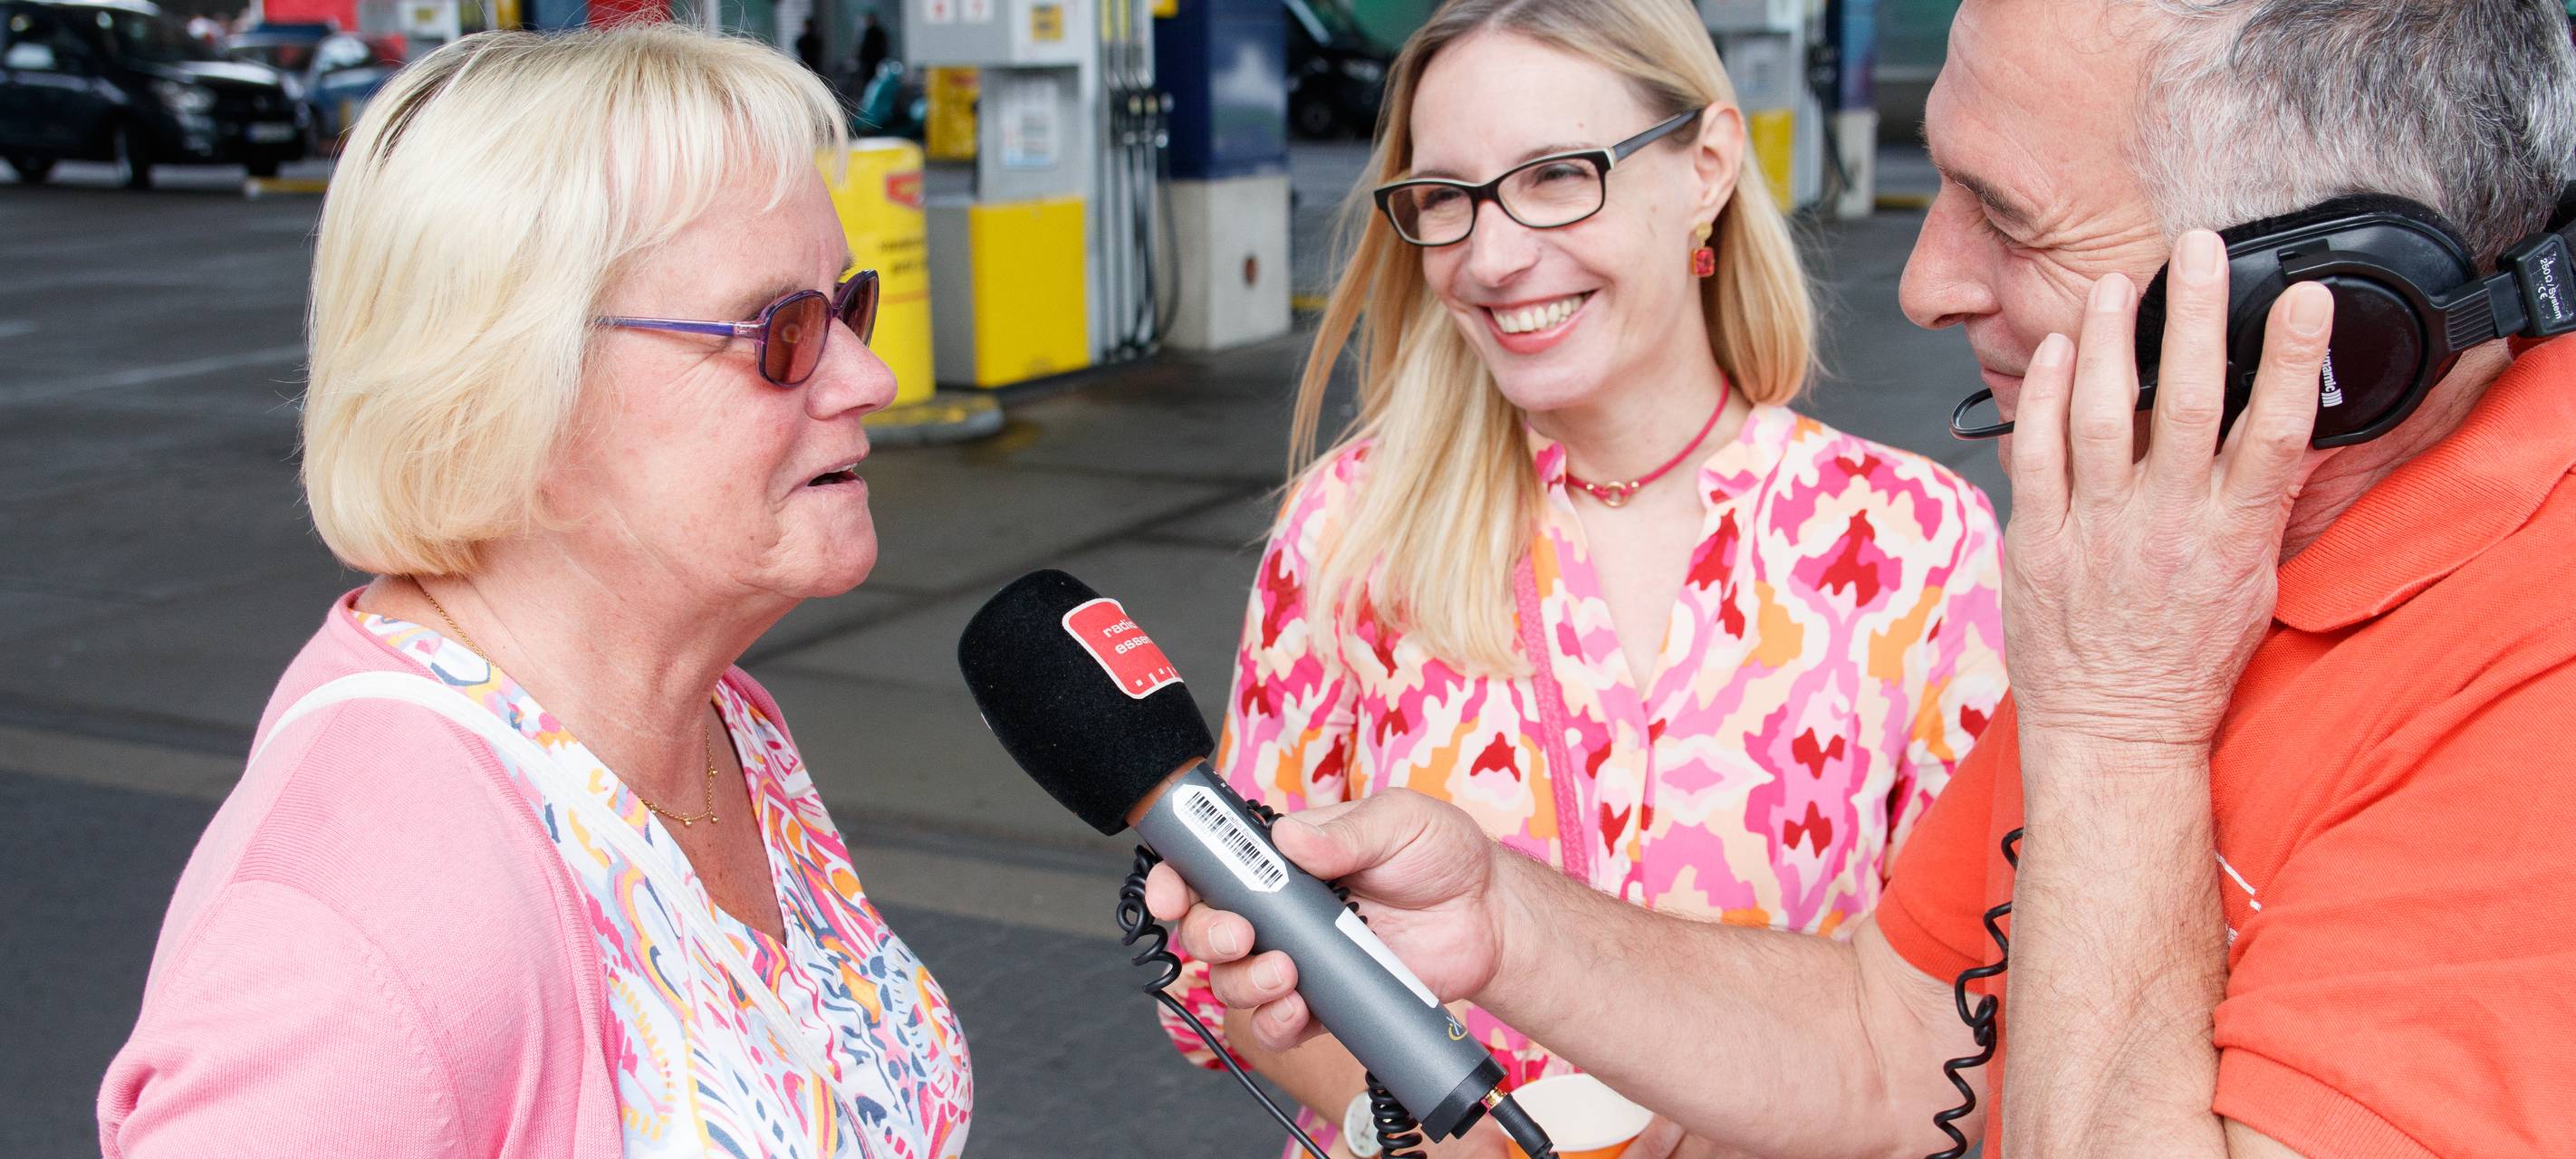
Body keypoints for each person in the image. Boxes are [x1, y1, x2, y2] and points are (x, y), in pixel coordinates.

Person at [1153, 1, 2576, 1156]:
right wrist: (1504, 924)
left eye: (2006, 217)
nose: (1925, 282)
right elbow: (1896, 1038)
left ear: (2331, 318)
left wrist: (2120, 719)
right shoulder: (2171, 557)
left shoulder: (2517, 683)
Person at [98, 25, 973, 1158]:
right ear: (515, 385)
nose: (871, 376)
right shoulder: (358, 930)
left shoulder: (715, 714)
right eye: (783, 332)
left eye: (843, 307)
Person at [1151, 0, 2005, 1154]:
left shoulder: (1908, 544)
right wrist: (1402, 1112)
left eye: (1557, 176)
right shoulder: (1354, 526)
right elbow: (1227, 944)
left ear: (1706, 165)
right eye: (1447, 198)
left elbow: (1972, 995)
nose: (1492, 256)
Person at [854, 12, 889, 90]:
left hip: (870, 64)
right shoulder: (879, 32)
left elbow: (865, 49)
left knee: (870, 85)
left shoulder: (870, 33)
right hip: (876, 63)